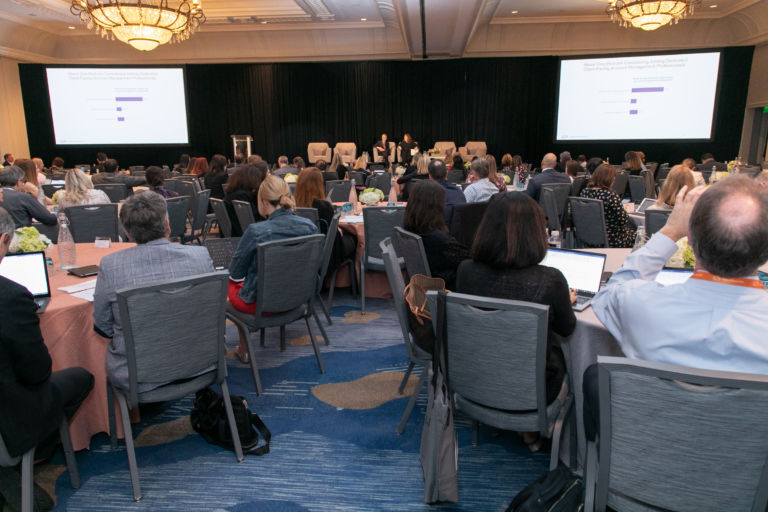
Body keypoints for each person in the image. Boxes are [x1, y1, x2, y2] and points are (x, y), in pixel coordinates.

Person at [584, 176, 768, 441]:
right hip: (745, 463)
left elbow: (610, 293)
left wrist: (670, 231)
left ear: (689, 238)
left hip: (646, 452)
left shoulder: (641, 304)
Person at [455, 192, 576, 451]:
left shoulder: (465, 271)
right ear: (535, 233)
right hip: (534, 389)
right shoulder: (550, 279)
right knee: (572, 359)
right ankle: (535, 429)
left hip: (476, 378)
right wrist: (565, 299)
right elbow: (567, 328)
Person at [0, 205, 94, 509]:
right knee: (81, 378)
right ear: (3, 240)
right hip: (8, 419)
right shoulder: (11, 297)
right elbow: (37, 372)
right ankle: (28, 455)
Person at [93, 192, 215, 392]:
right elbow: (211, 311)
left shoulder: (110, 266)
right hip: (202, 361)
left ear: (127, 233)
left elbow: (103, 327)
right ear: (167, 225)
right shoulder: (200, 256)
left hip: (138, 374)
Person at [228, 176, 318, 362]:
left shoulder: (256, 231)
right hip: (298, 299)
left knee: (227, 283)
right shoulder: (310, 227)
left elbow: (236, 273)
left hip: (263, 304)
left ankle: (244, 348)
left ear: (264, 202)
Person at [403, 181, 469, 290]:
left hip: (422, 287)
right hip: (447, 290)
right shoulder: (439, 240)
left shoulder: (409, 230)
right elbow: (468, 260)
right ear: (437, 206)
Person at [294, 167, 357, 275]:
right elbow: (333, 239)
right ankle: (350, 279)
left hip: (302, 254)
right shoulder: (324, 207)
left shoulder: (293, 206)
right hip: (326, 255)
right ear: (319, 185)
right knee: (354, 240)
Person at [580, 164, 636, 248]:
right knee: (640, 235)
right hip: (612, 238)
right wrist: (622, 209)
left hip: (589, 236)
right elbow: (623, 220)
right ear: (609, 179)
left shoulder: (585, 192)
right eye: (614, 177)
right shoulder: (611, 195)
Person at [225, 162, 267, 236]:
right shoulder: (241, 197)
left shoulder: (233, 193)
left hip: (238, 232)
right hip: (248, 234)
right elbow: (255, 217)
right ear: (251, 180)